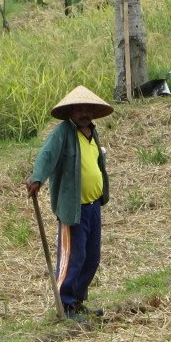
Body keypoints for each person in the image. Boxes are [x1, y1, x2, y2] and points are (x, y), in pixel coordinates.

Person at [26, 85, 113, 323]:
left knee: (91, 257)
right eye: (79, 109)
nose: (84, 113)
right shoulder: (63, 133)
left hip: (93, 207)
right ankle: (65, 304)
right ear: (71, 111)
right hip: (72, 208)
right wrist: (37, 178)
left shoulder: (92, 133)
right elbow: (47, 155)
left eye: (88, 109)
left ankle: (77, 301)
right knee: (72, 257)